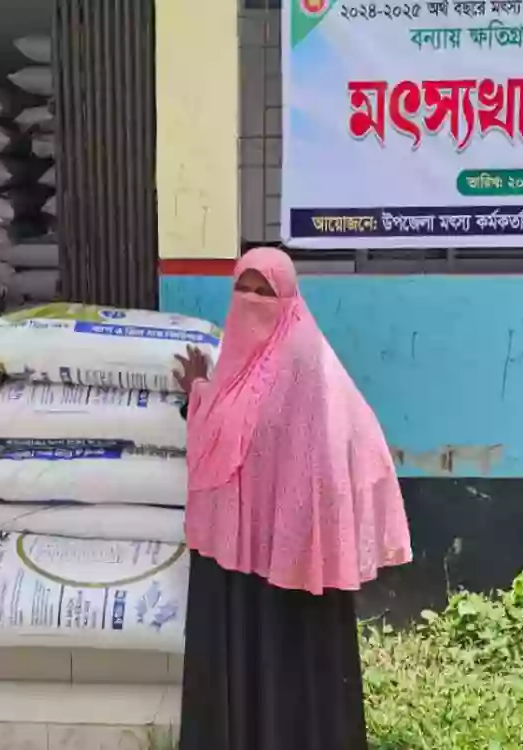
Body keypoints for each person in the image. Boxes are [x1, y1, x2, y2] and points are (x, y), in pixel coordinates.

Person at [174, 248, 412, 750]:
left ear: (289, 299)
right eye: (245, 289)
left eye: (266, 292)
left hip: (296, 558)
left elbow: (345, 439)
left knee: (290, 666)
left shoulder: (304, 358)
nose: (253, 301)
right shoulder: (236, 369)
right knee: (238, 655)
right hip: (234, 555)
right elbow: (224, 433)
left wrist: (310, 524)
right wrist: (197, 391)